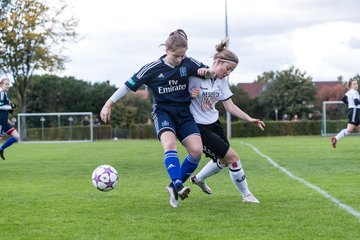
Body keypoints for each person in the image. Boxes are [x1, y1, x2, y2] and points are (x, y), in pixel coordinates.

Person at [100, 29, 213, 208]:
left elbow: (205, 71)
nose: (179, 60)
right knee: (169, 145)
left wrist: (210, 73)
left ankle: (173, 187)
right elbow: (127, 86)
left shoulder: (187, 62)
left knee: (197, 151)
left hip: (184, 114)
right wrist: (108, 103)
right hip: (163, 113)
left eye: (182, 56)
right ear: (166, 50)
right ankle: (177, 184)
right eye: (176, 56)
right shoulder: (152, 68)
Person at [188, 38, 265, 203]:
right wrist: (188, 96)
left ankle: (198, 179)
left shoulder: (221, 82)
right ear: (217, 61)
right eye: (228, 68)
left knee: (223, 161)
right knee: (233, 158)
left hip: (214, 125)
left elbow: (230, 106)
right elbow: (178, 96)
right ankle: (247, 196)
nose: (228, 73)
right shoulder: (196, 76)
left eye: (231, 71)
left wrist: (249, 119)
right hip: (199, 128)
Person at [331, 78, 360, 148]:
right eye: (354, 84)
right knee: (349, 130)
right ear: (350, 85)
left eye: (357, 83)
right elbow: (356, 103)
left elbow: (343, 99)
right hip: (354, 112)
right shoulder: (354, 92)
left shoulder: (349, 92)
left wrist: (350, 104)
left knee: (352, 129)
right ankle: (335, 138)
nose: (356, 85)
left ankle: (335, 139)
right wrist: (352, 105)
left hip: (353, 111)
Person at [0, 77, 20, 160]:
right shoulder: (1, 93)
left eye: (8, 84)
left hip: (5, 122)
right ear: (1, 85)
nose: (7, 86)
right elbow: (0, 106)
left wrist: (8, 120)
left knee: (16, 137)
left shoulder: (5, 94)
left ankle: (1, 149)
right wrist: (10, 106)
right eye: (6, 84)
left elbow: (4, 111)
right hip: (0, 122)